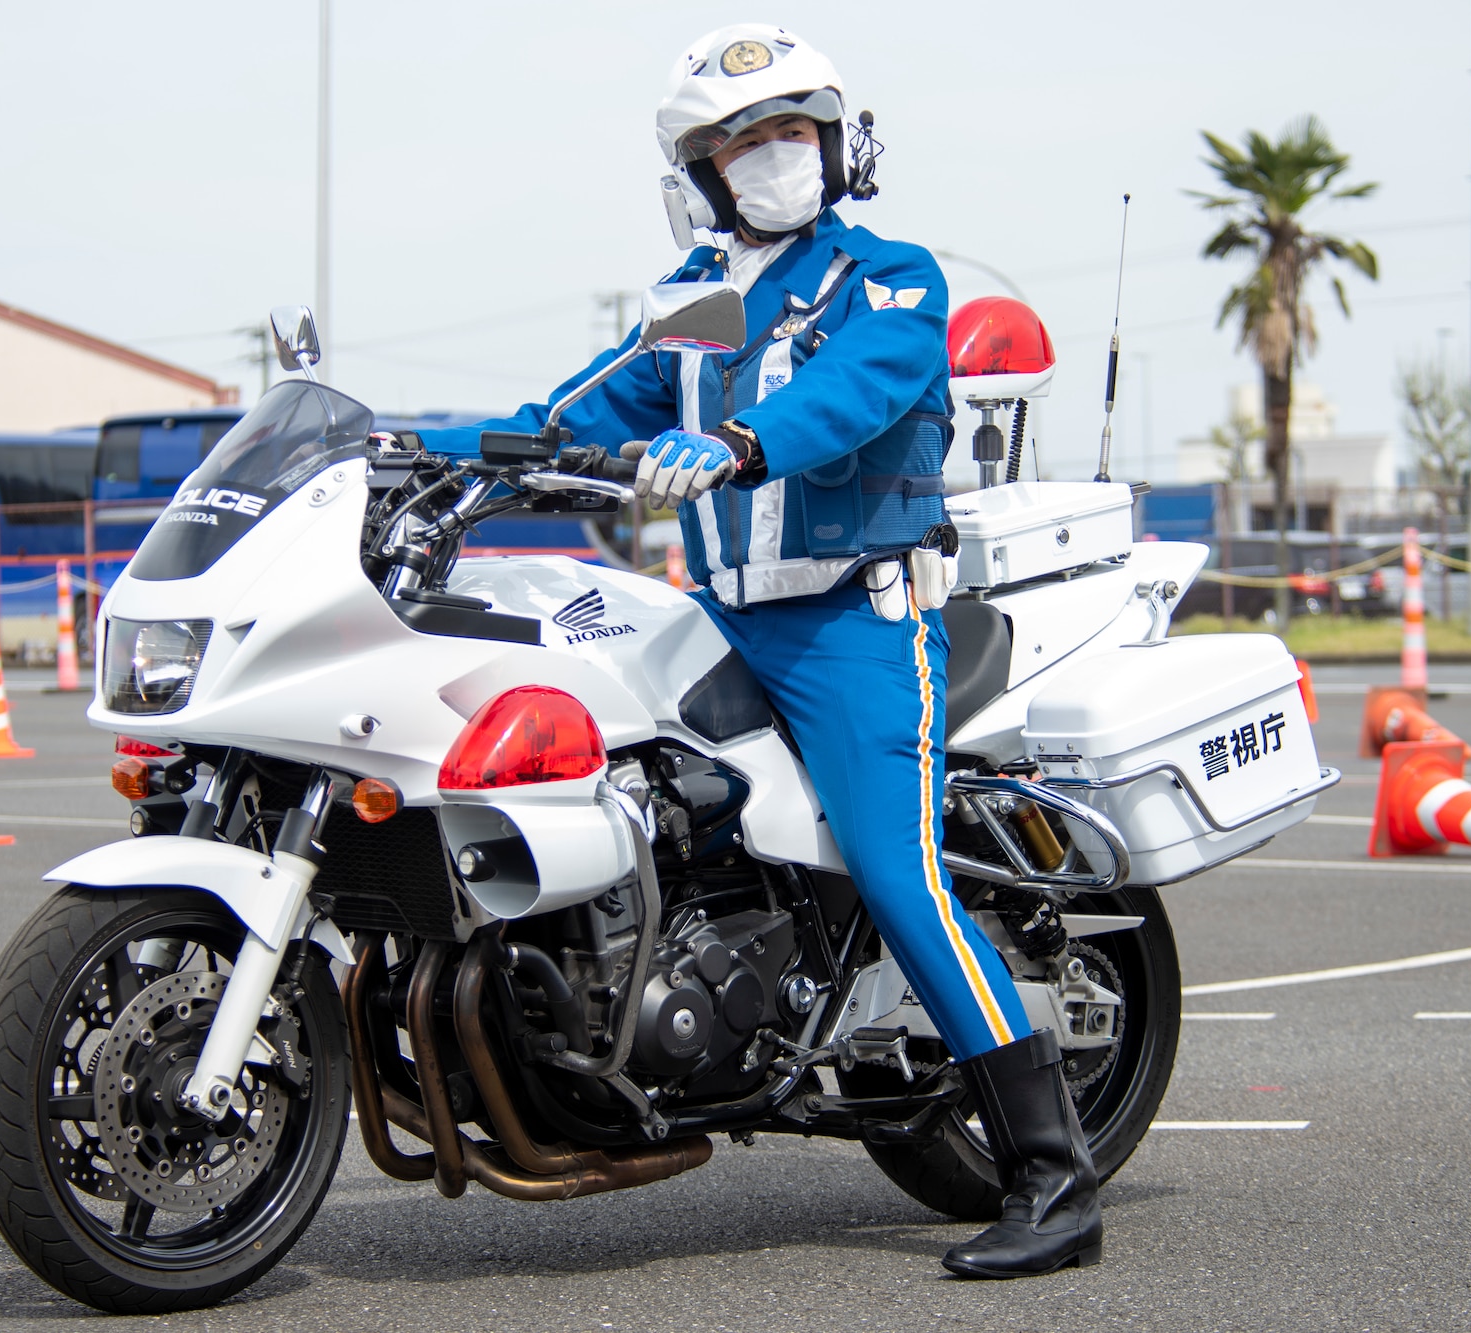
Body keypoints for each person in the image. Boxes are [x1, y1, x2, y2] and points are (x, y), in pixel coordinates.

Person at [418, 24, 1100, 1280]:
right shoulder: (696, 297)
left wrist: (741, 444)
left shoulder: (891, 279)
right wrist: (438, 452)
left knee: (899, 878)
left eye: (787, 129)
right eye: (735, 139)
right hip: (716, 615)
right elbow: (584, 405)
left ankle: (1052, 1174)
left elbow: (852, 392)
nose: (765, 156)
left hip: (853, 624)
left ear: (836, 144)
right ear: (704, 171)